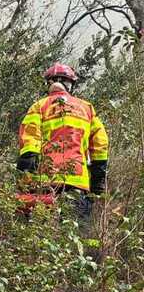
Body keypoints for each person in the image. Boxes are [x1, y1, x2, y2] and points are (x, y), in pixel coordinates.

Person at [17, 62, 109, 222]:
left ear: (49, 83)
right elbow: (100, 147)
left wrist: (24, 184)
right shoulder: (86, 108)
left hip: (45, 184)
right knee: (74, 236)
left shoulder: (39, 107)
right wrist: (97, 186)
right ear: (70, 84)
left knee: (39, 236)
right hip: (78, 185)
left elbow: (29, 147)